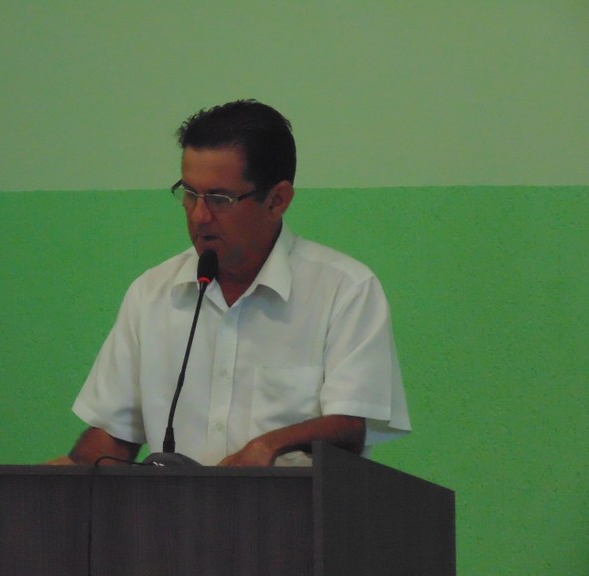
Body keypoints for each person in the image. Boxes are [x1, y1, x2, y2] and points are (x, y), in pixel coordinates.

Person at [51, 99, 410, 467]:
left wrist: (270, 445)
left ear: (277, 200)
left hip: (292, 504)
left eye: (219, 199)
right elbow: (113, 435)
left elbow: (350, 427)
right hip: (171, 506)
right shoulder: (152, 294)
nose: (199, 216)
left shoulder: (344, 290)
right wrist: (71, 473)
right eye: (190, 194)